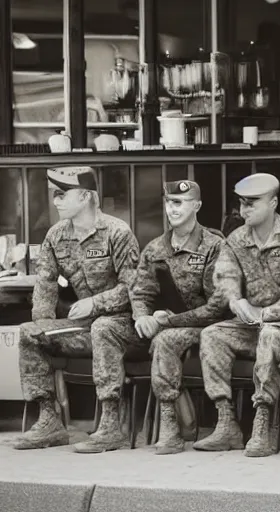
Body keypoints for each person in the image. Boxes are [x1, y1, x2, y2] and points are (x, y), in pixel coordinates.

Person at [14, 166, 144, 454]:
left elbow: (134, 288)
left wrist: (95, 303)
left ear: (85, 196)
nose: (56, 200)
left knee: (103, 327)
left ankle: (111, 425)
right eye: (54, 195)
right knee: (29, 333)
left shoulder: (117, 232)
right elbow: (45, 286)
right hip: (85, 327)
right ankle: (49, 421)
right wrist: (43, 327)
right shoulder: (56, 236)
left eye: (62, 194)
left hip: (124, 327)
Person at [193, 173, 280, 457]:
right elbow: (225, 275)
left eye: (253, 203)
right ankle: (226, 422)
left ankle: (264, 420)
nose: (245, 209)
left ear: (273, 202)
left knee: (270, 335)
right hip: (249, 325)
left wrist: (264, 313)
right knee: (212, 334)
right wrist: (236, 301)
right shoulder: (236, 239)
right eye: (242, 203)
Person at [129, 180, 226, 455]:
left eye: (179, 202)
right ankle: (169, 424)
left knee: (166, 339)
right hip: (167, 323)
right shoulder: (155, 248)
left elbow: (217, 307)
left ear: (197, 205)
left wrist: (168, 321)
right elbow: (140, 291)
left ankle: (170, 425)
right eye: (169, 202)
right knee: (148, 335)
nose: (172, 209)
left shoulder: (214, 246)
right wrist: (142, 316)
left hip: (209, 326)